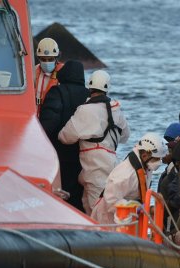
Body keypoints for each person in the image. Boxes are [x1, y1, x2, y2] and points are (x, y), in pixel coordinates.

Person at [58, 70, 130, 214]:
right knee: (95, 205)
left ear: (89, 86)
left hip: (94, 168)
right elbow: (125, 136)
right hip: (111, 163)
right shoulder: (116, 109)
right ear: (107, 88)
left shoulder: (85, 110)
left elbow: (64, 137)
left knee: (97, 212)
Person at [38, 60, 89, 211]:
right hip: (84, 154)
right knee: (81, 195)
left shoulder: (57, 92)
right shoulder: (89, 94)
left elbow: (48, 123)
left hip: (61, 152)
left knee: (63, 193)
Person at [91, 133, 166, 224]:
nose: (159, 162)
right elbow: (111, 201)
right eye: (156, 159)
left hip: (128, 216)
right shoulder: (126, 174)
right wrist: (144, 209)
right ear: (145, 155)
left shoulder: (145, 165)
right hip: (108, 218)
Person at [35, 38, 64, 115]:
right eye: (43, 59)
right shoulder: (33, 72)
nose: (47, 62)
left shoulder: (63, 73)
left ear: (56, 58)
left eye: (50, 59)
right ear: (39, 58)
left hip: (52, 118)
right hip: (35, 118)